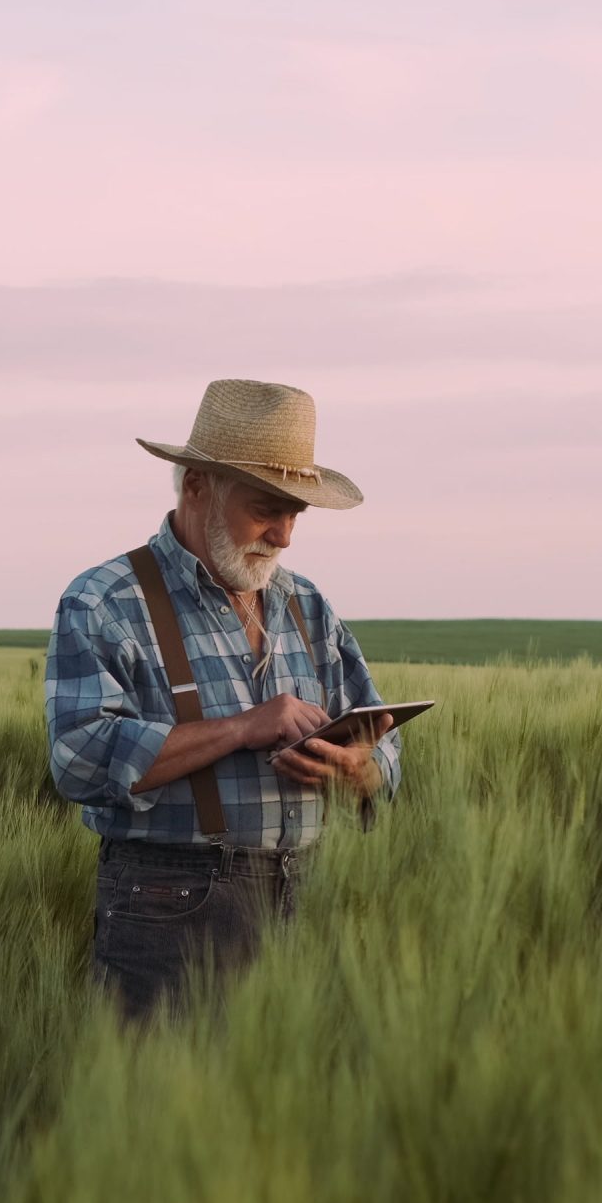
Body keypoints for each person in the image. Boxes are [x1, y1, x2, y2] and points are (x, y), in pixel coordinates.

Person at [44, 378, 399, 1019]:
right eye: (267, 506)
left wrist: (361, 770)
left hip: (311, 898)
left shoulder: (307, 604)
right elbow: (78, 759)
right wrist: (241, 728)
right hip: (169, 905)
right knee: (164, 1109)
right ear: (197, 485)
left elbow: (386, 742)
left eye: (298, 513)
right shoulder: (104, 601)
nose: (285, 534)